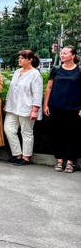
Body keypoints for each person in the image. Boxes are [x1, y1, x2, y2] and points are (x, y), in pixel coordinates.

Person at [43, 45, 81, 173]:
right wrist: (46, 104)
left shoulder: (79, 71)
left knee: (73, 135)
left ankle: (71, 162)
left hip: (74, 108)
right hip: (56, 106)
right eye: (62, 53)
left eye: (65, 53)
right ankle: (59, 160)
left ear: (73, 55)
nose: (62, 55)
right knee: (56, 133)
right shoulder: (56, 69)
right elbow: (49, 88)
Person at [1, 50, 43, 166]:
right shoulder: (17, 72)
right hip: (13, 106)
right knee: (8, 129)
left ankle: (26, 157)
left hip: (27, 107)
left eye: (22, 58)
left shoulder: (35, 74)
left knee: (26, 132)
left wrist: (35, 110)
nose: (20, 60)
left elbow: (38, 93)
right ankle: (17, 154)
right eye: (19, 58)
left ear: (30, 60)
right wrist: (7, 104)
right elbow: (11, 90)